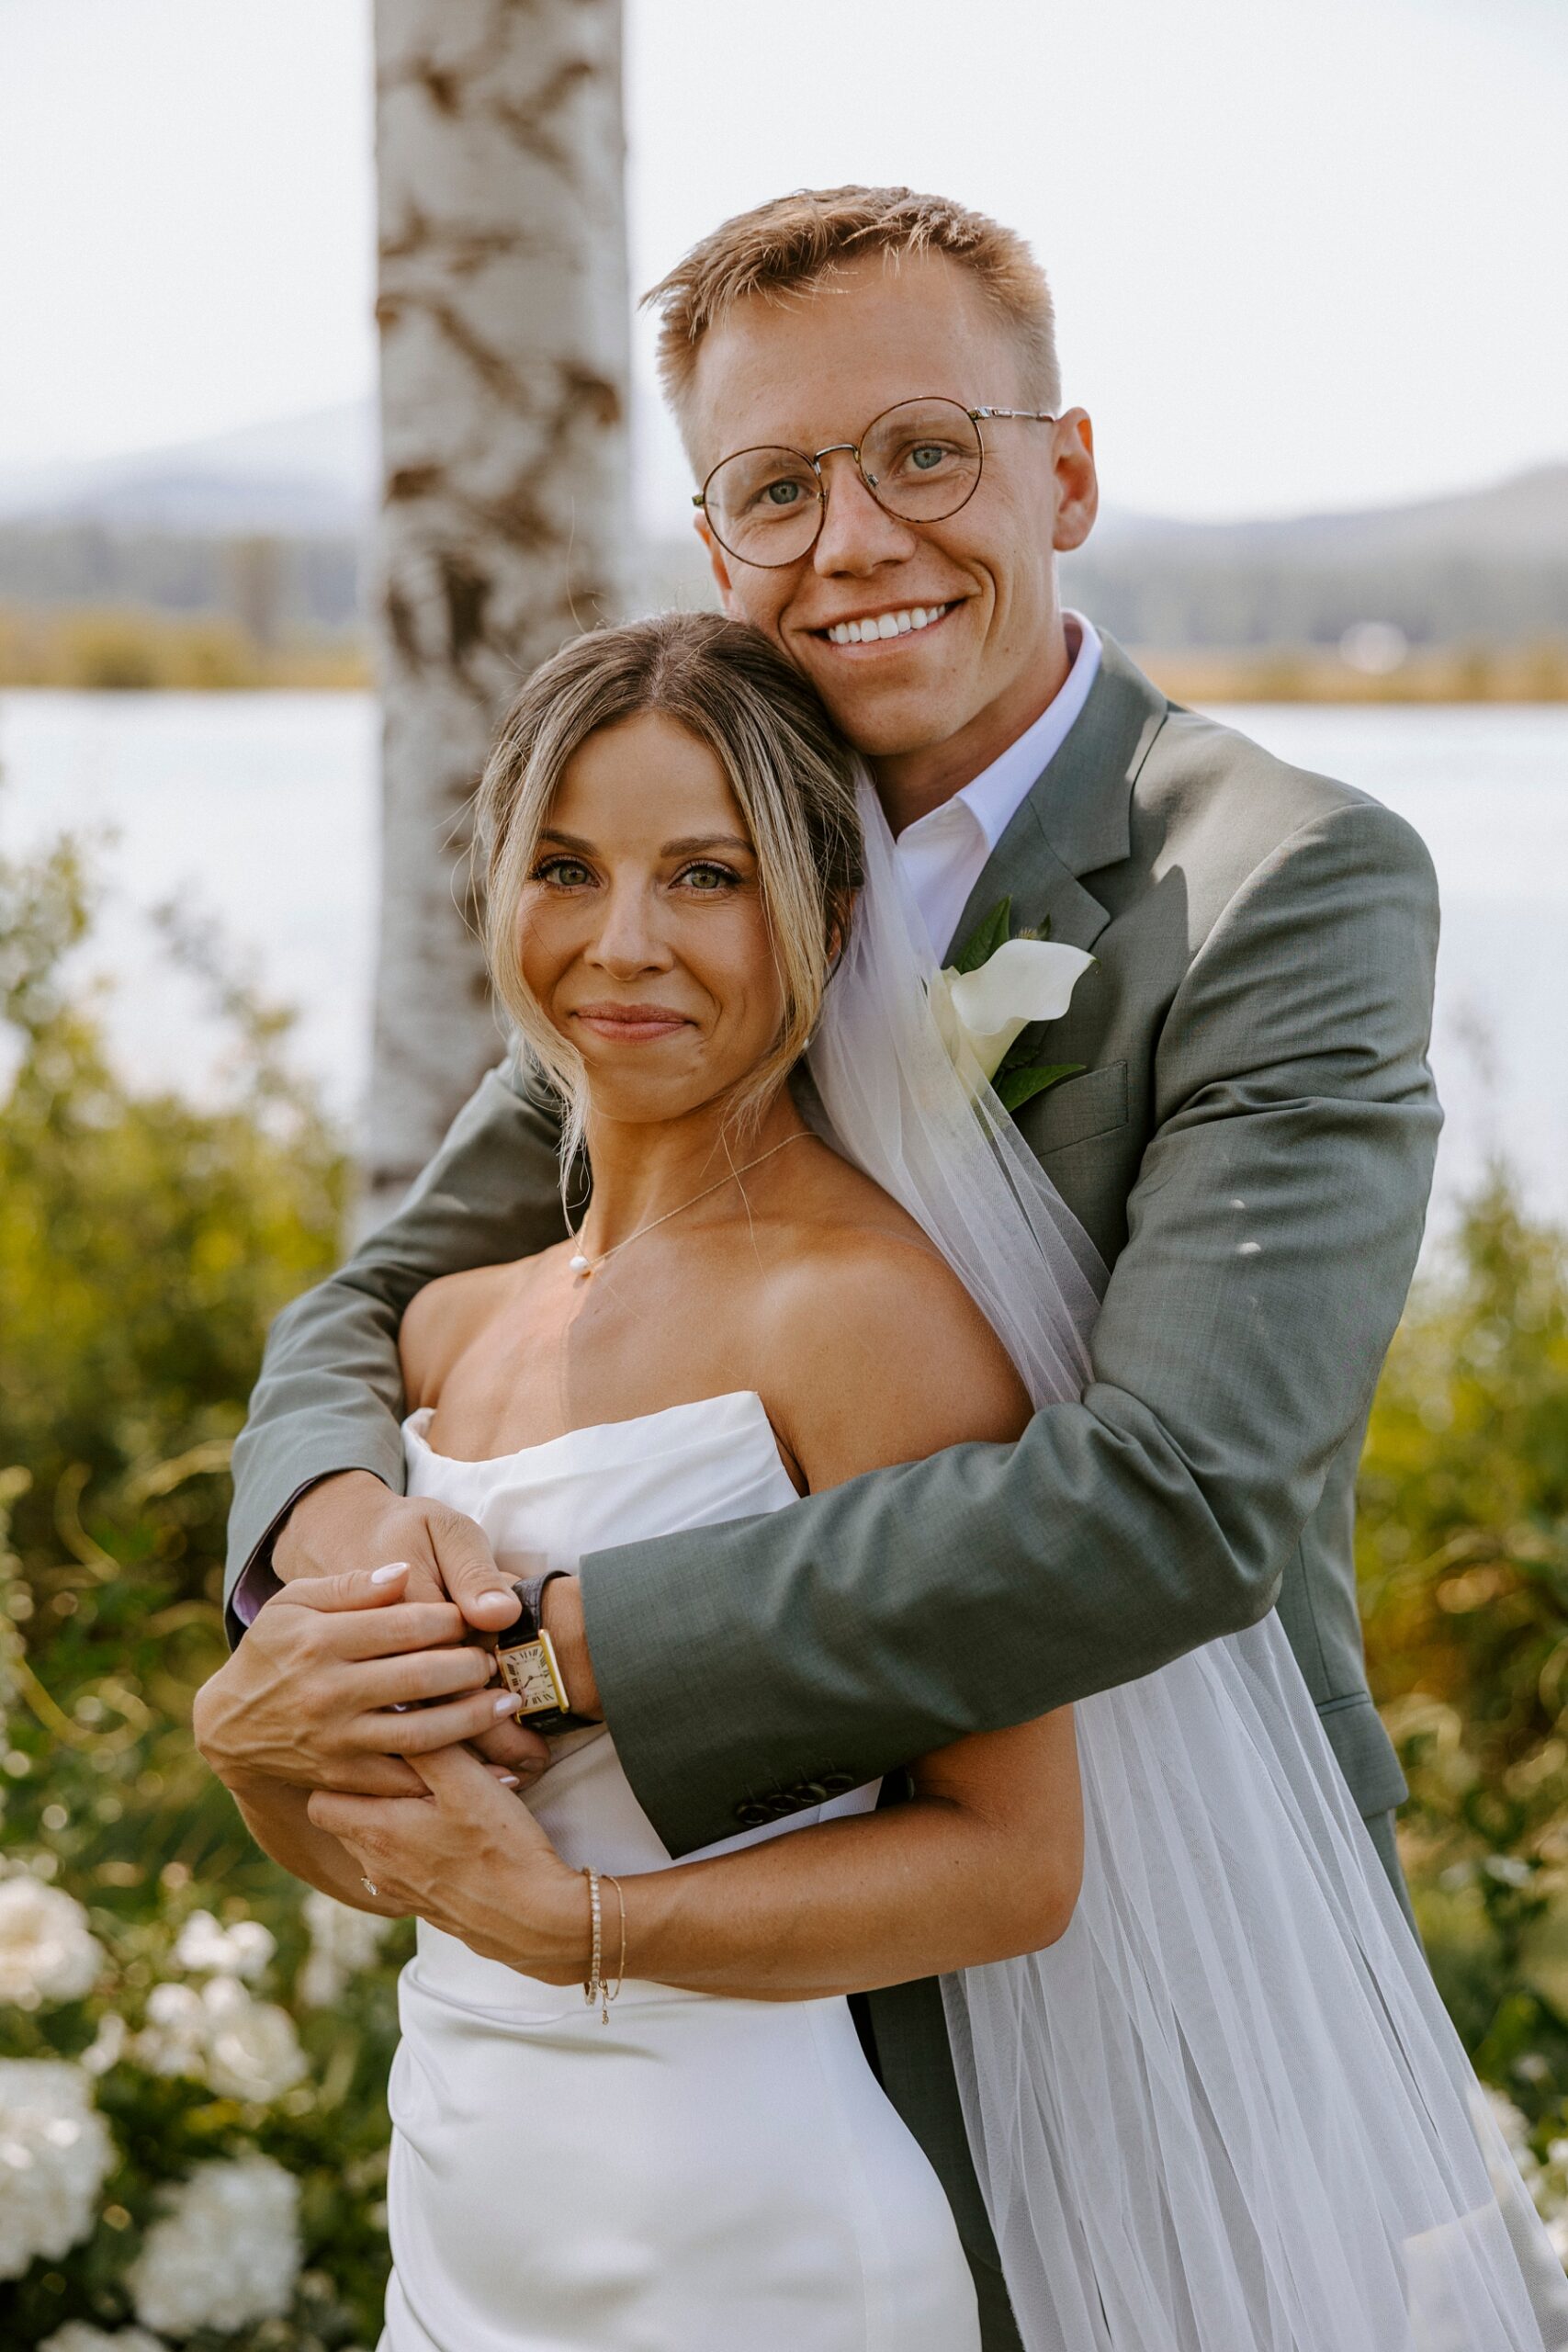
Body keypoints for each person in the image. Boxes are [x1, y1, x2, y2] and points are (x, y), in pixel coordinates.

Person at [203, 189, 1483, 2343]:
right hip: (718, 2027)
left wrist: (548, 1653)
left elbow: (1181, 1492)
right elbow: (376, 1303)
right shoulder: (695, 885)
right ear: (715, 543)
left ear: (1058, 471)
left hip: (1152, 1930)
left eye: (922, 451)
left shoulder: (1277, 880)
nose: (852, 537)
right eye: (775, 486)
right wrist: (341, 1581)